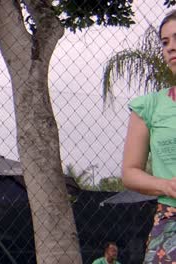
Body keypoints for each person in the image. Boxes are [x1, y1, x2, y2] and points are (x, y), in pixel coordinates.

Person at [122, 10, 176, 264]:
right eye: (165, 43)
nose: (171, 48)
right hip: (171, 221)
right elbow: (130, 172)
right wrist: (167, 186)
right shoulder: (149, 107)